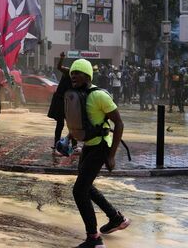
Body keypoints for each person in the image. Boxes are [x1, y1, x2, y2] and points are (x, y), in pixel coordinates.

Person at [67, 59, 129, 248]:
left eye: (78, 73)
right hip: (88, 146)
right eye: (72, 73)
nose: (74, 76)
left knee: (79, 190)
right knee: (86, 187)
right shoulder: (78, 95)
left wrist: (111, 155)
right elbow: (82, 121)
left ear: (88, 76)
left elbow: (119, 123)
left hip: (101, 147)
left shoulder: (99, 96)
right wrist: (69, 138)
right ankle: (116, 218)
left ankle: (94, 239)